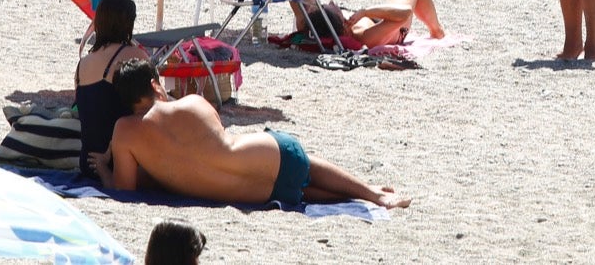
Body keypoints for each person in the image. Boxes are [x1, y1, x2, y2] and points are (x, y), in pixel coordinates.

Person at [95, 59, 410, 208]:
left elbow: (125, 190)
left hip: (256, 194)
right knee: (304, 166)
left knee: (300, 191)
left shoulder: (124, 132)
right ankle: (373, 194)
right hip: (268, 157)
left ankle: (366, 194)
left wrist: (103, 170)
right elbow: (213, 137)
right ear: (154, 85)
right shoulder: (191, 104)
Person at [75, 0, 148, 180]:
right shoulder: (133, 55)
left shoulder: (82, 63)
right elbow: (154, 103)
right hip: (118, 161)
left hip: (87, 161)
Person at [292, 0, 445, 48]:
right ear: (344, 26)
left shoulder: (307, 25)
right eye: (332, 7)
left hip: (376, 20)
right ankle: (436, 30)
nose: (333, 3)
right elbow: (405, 13)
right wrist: (366, 12)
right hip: (396, 26)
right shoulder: (363, 36)